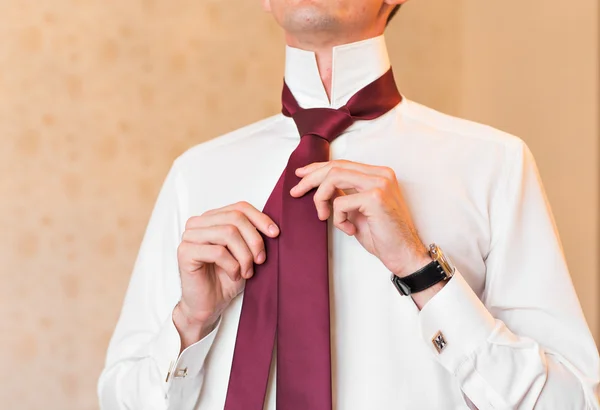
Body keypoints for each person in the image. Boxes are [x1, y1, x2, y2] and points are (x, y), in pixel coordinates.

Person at [98, 0, 600, 409]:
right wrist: (192, 322)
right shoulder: (197, 173)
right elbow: (122, 399)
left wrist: (419, 270)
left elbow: (571, 400)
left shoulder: (494, 163)